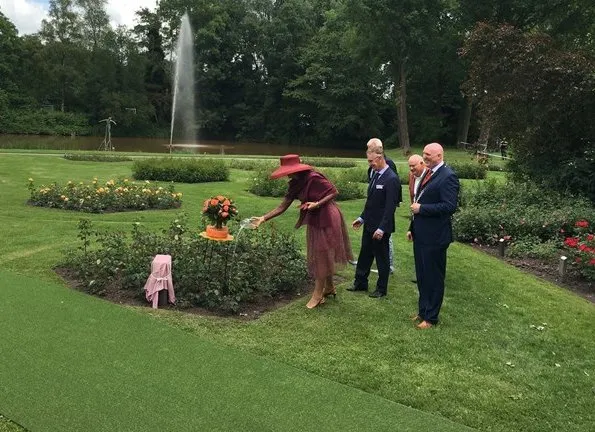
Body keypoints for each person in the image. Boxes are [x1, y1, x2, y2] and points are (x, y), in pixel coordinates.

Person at [253, 154, 353, 309]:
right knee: (322, 251)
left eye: (288, 170)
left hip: (327, 215)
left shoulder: (314, 177)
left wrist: (317, 204)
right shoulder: (294, 184)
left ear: (296, 169)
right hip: (315, 217)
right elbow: (282, 206)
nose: (287, 174)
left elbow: (334, 191)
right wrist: (263, 218)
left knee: (320, 253)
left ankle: (318, 294)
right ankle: (330, 287)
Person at [407, 143, 459, 329]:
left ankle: (431, 318)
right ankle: (423, 311)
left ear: (439, 155)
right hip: (421, 234)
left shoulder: (448, 176)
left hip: (435, 237)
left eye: (428, 154)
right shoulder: (429, 173)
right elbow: (419, 199)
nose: (424, 157)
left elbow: (449, 206)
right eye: (423, 154)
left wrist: (423, 209)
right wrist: (412, 227)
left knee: (434, 277)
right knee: (422, 275)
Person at [348, 143, 399, 298]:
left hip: (381, 228)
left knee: (382, 258)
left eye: (371, 161)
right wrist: (362, 218)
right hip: (369, 224)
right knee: (365, 254)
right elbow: (371, 203)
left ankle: (381, 289)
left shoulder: (391, 178)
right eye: (368, 162)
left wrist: (382, 228)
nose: (370, 164)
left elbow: (390, 208)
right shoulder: (375, 174)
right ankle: (360, 282)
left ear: (379, 157)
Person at [365, 138, 402, 273]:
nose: (369, 150)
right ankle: (374, 261)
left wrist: (395, 202)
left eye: (371, 148)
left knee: (386, 236)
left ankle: (388, 264)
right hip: (374, 207)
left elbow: (393, 184)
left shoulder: (389, 164)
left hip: (385, 206)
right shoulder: (372, 168)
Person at [407, 154, 427, 283]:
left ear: (422, 163)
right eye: (409, 166)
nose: (411, 169)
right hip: (416, 215)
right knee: (417, 246)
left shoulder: (430, 177)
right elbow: (413, 198)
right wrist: (411, 226)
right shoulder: (412, 176)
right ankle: (419, 272)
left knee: (427, 248)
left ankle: (427, 273)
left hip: (428, 216)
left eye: (413, 166)